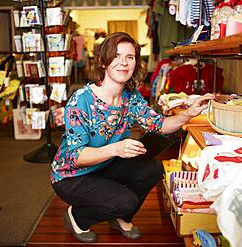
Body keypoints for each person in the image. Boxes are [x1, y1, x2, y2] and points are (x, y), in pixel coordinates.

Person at [50, 32, 214, 243]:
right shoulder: (81, 101)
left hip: (103, 165)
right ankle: (77, 217)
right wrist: (117, 149)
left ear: (136, 62)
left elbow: (160, 125)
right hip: (71, 176)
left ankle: (119, 218)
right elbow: (75, 156)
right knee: (126, 200)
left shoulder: (130, 98)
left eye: (130, 57)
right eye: (116, 56)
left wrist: (188, 113)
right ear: (102, 62)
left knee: (152, 169)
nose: (123, 63)